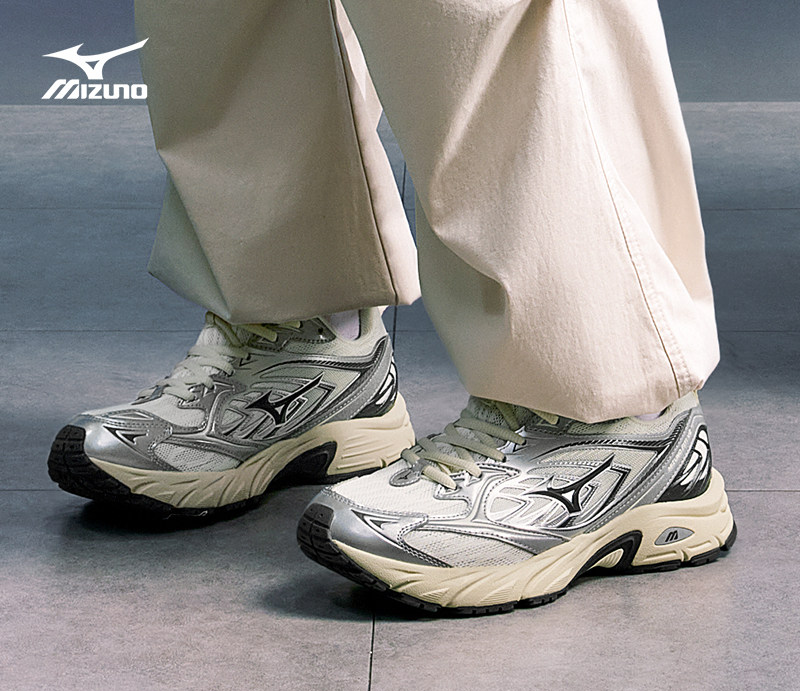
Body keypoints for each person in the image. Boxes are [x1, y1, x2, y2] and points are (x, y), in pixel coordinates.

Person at [47, 0, 735, 614]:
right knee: (223, 15)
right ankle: (305, 339)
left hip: (616, 412)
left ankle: (616, 416)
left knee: (478, 14)